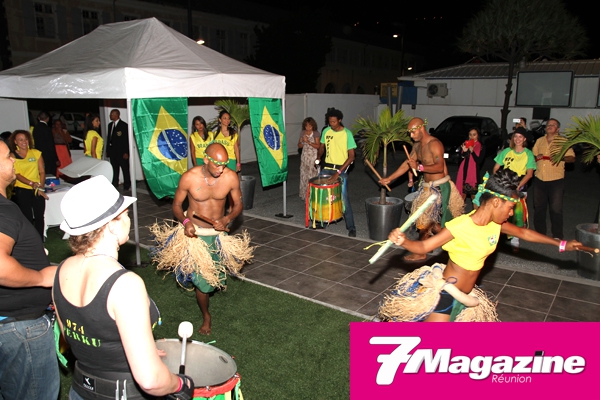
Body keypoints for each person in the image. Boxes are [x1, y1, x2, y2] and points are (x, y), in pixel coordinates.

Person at [53, 175, 194, 400]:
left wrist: (136, 349)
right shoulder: (125, 285)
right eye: (125, 214)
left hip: (80, 390)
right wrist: (180, 384)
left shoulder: (61, 270)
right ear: (111, 225)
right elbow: (150, 380)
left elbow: (73, 338)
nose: (129, 219)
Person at [383, 169, 582, 322]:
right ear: (496, 202)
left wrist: (561, 244)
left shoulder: (496, 224)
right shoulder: (461, 225)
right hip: (446, 294)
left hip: (467, 296)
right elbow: (423, 248)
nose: (511, 213)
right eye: (510, 208)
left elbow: (524, 233)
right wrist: (404, 241)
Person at [157, 143, 251, 335]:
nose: (221, 169)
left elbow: (238, 204)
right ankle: (206, 316)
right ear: (206, 160)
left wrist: (227, 219)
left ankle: (206, 289)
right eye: (217, 165)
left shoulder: (230, 177)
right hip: (196, 236)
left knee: (216, 277)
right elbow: (176, 205)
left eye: (224, 165)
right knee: (202, 281)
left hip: (217, 235)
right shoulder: (189, 178)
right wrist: (185, 222)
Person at [0, 140, 59, 400]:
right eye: (7, 156)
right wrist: (40, 277)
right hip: (20, 327)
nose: (13, 160)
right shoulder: (3, 210)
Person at [380, 117, 463, 260]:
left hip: (440, 187)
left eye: (413, 132)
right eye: (409, 133)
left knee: (426, 220)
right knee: (427, 221)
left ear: (421, 128)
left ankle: (426, 250)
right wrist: (390, 178)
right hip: (428, 187)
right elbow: (408, 163)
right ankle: (434, 246)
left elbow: (439, 167)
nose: (411, 136)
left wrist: (419, 167)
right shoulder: (417, 145)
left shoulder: (434, 144)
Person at [493, 126, 536, 252]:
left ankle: (515, 239)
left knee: (517, 213)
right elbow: (496, 168)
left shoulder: (528, 153)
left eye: (520, 137)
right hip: (505, 183)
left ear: (524, 139)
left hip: (519, 184)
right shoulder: (507, 151)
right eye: (515, 136)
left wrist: (518, 186)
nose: (517, 139)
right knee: (500, 211)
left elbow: (529, 174)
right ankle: (496, 238)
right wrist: (498, 181)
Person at [532, 118, 575, 239]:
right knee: (539, 207)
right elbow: (532, 156)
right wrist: (537, 157)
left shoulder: (563, 141)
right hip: (539, 178)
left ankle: (557, 235)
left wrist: (559, 157)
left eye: (553, 125)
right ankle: (540, 234)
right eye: (548, 124)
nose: (550, 126)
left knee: (556, 209)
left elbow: (572, 158)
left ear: (558, 129)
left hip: (556, 180)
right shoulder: (540, 141)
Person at [316, 108, 357, 237]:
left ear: (340, 120)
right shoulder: (326, 131)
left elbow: (352, 156)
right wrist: (318, 157)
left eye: (334, 122)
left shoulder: (347, 133)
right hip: (327, 167)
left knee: (343, 198)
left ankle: (351, 227)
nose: (332, 124)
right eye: (330, 122)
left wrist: (338, 172)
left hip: (341, 169)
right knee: (322, 195)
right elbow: (322, 147)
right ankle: (321, 222)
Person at [9, 130, 49, 239]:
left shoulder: (36, 153)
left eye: (26, 139)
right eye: (20, 140)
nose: (24, 142)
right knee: (27, 217)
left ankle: (40, 239)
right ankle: (29, 239)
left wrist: (40, 187)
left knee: (39, 216)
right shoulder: (12, 156)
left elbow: (42, 171)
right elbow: (17, 174)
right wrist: (32, 184)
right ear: (15, 142)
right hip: (23, 189)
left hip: (37, 189)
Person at [455, 127, 484, 206]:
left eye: (474, 135)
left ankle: (476, 213)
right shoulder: (466, 144)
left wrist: (472, 151)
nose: (472, 137)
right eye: (470, 135)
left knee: (474, 197)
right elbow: (460, 161)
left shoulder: (481, 146)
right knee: (462, 196)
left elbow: (479, 161)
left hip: (473, 176)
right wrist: (464, 152)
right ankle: (459, 212)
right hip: (464, 174)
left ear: (478, 135)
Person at [106, 109, 131, 190]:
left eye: (112, 114)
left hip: (122, 152)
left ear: (116, 115)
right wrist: (107, 150)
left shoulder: (124, 125)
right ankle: (115, 183)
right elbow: (109, 138)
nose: (110, 116)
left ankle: (127, 184)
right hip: (113, 152)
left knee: (125, 169)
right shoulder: (110, 125)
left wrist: (126, 152)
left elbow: (127, 140)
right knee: (114, 169)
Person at [298, 117, 321, 201]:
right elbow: (299, 146)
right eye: (306, 126)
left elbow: (318, 146)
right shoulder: (302, 133)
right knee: (304, 175)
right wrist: (302, 141)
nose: (308, 128)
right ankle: (305, 195)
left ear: (313, 126)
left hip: (313, 156)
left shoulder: (316, 133)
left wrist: (308, 141)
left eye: (310, 126)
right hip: (305, 156)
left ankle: (313, 196)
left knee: (312, 175)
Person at [32, 111, 59, 177]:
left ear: (38, 118)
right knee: (50, 174)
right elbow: (50, 145)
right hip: (48, 157)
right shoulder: (47, 129)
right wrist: (55, 159)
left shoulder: (35, 128)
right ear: (48, 118)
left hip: (38, 154)